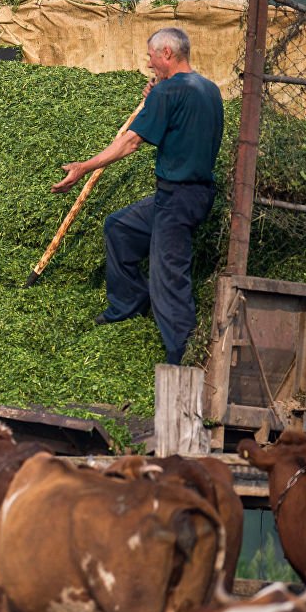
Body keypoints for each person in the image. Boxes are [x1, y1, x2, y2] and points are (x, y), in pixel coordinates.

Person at [51, 27, 223, 366]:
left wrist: (84, 167)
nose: (149, 63)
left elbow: (130, 142)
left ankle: (184, 361)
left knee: (168, 278)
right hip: (195, 194)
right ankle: (127, 304)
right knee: (120, 228)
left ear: (168, 54)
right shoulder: (209, 89)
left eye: (151, 56)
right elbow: (182, 124)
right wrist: (153, 100)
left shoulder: (168, 93)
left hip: (178, 197)